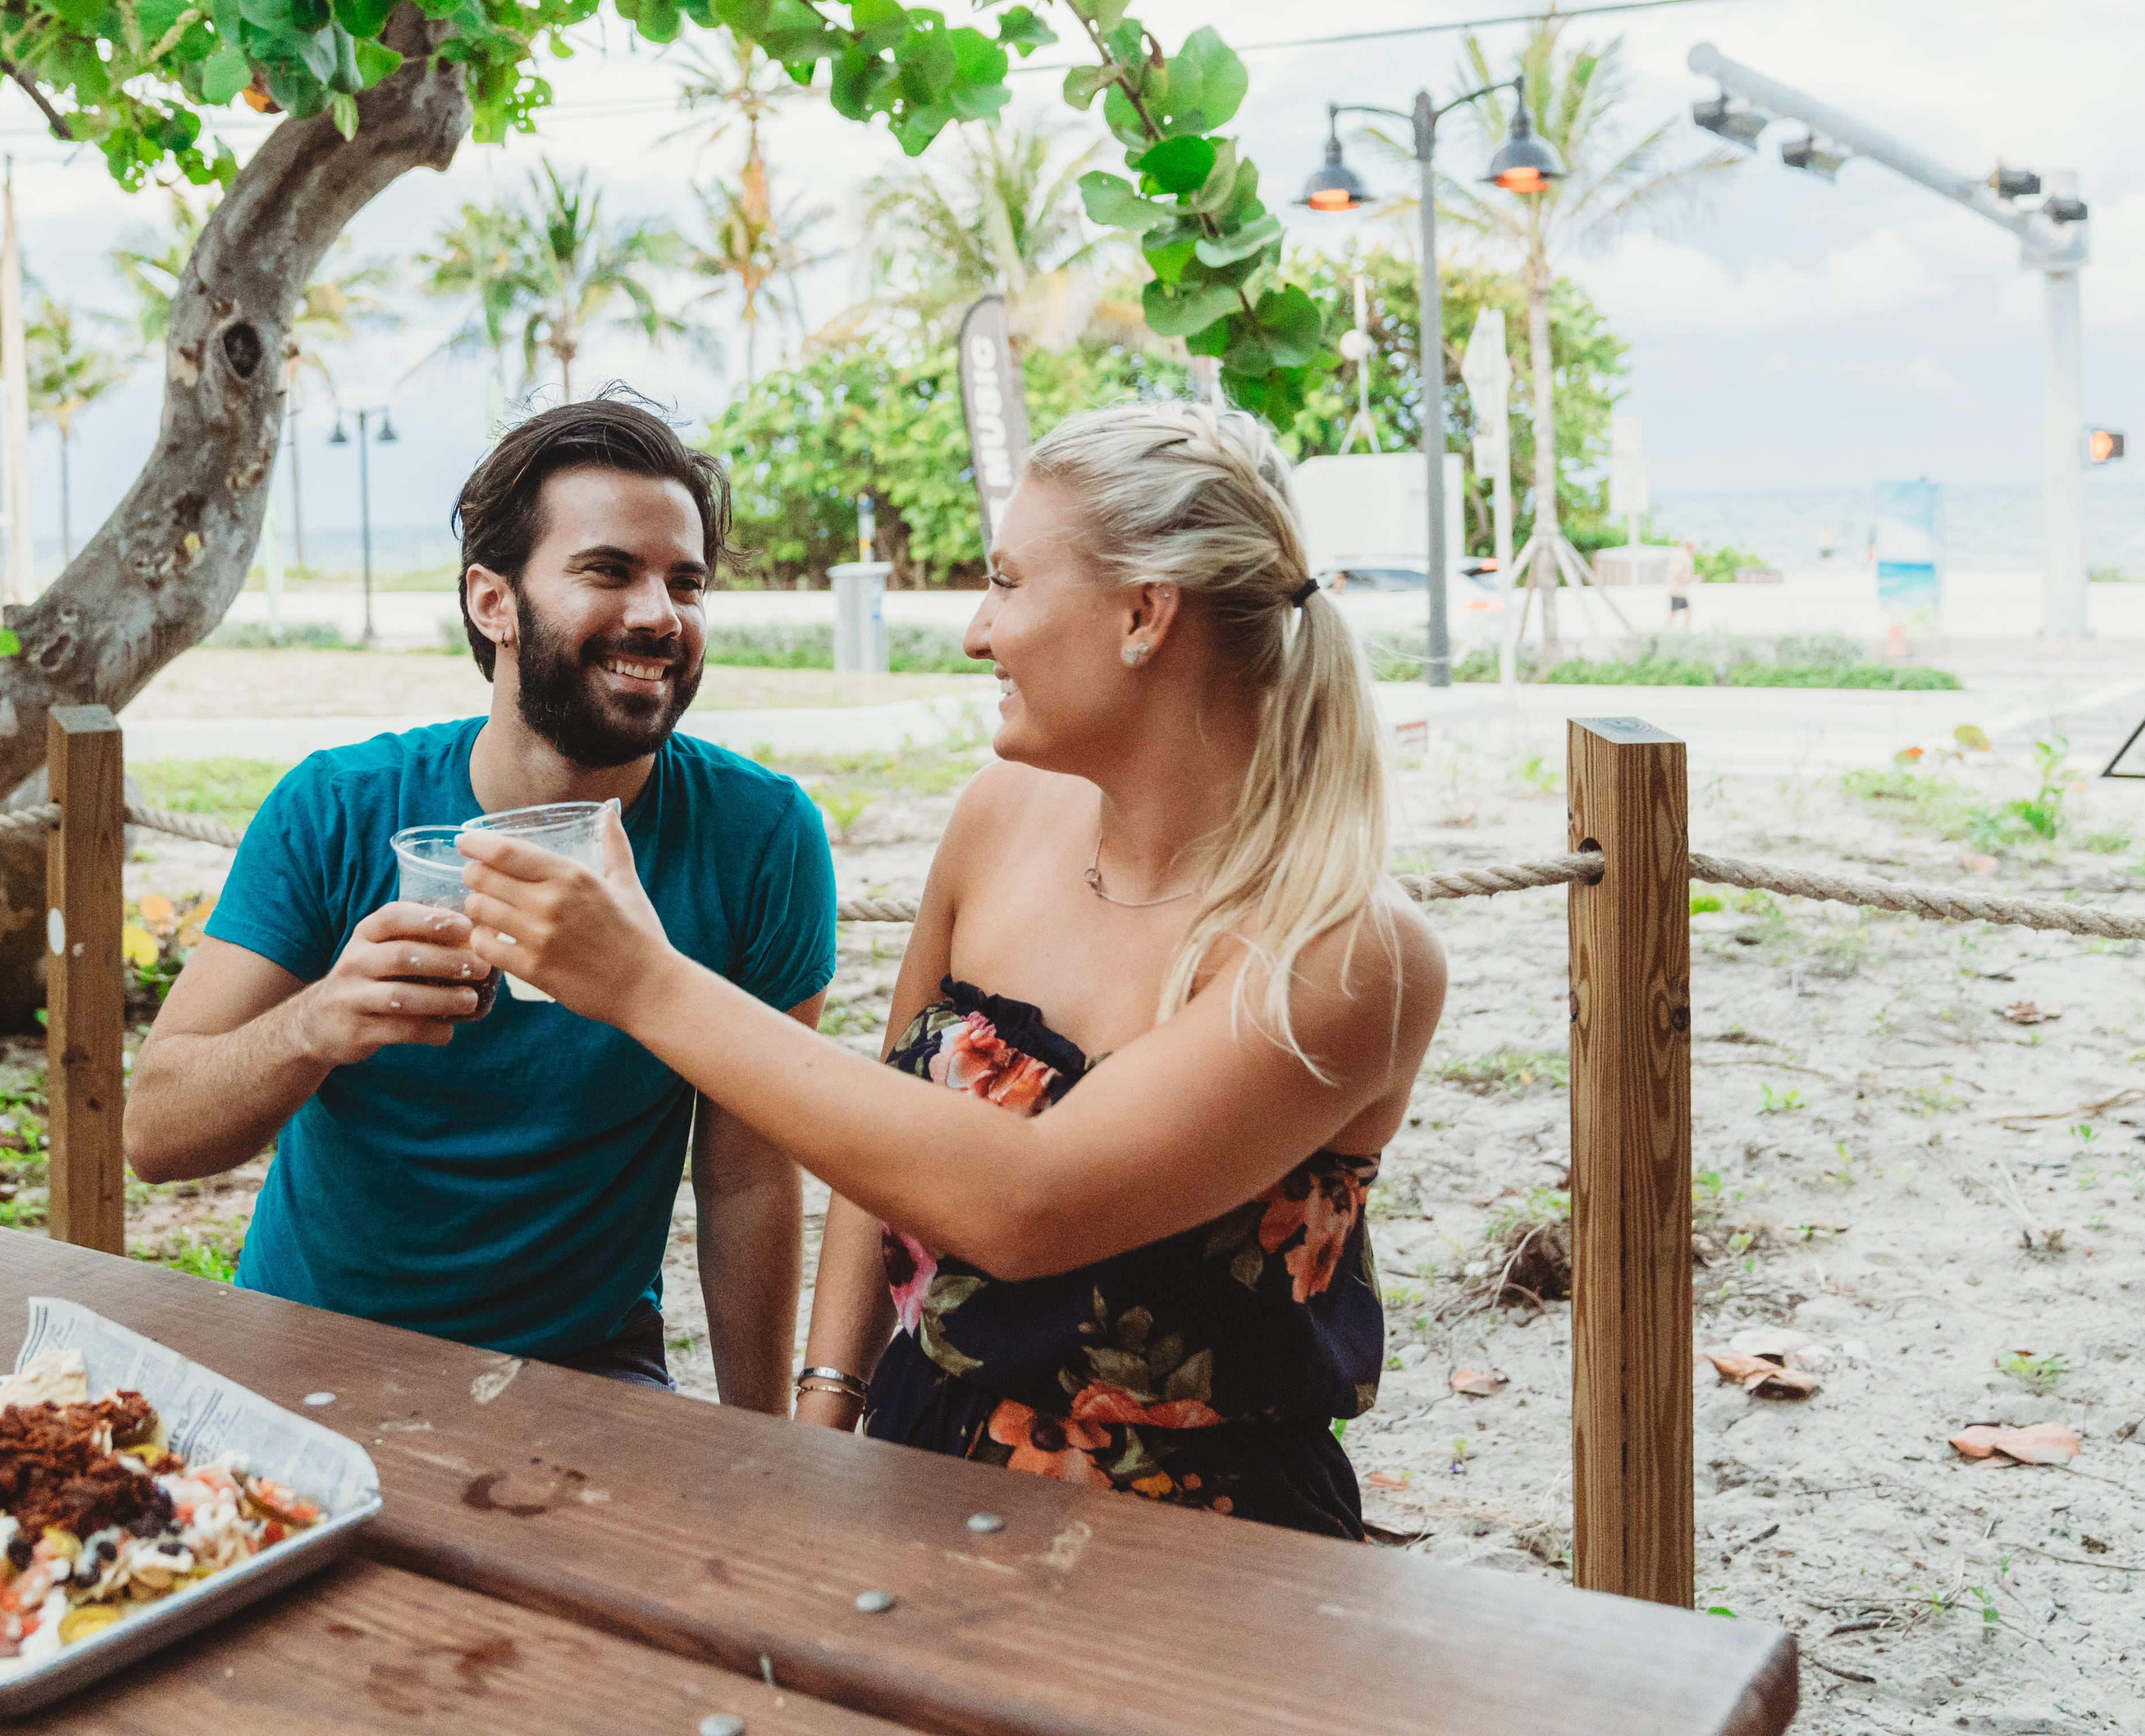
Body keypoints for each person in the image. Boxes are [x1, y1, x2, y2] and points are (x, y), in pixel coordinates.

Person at [448, 404, 1449, 1536]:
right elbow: (881, 1149)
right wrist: (822, 1427)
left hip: (1196, 1540)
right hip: (916, 1465)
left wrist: (646, 981)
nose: (978, 631)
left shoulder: (1351, 947)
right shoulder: (998, 815)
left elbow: (1029, 1201)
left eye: (1009, 581)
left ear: (1142, 613)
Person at [124, 396, 835, 1406]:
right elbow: (157, 1134)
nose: (659, 616)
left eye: (687, 582)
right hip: (308, 1347)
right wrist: (318, 1024)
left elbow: (746, 1181)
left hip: (585, 1364)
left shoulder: (760, 838)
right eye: (608, 571)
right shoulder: (337, 808)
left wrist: (764, 1449)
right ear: (492, 602)